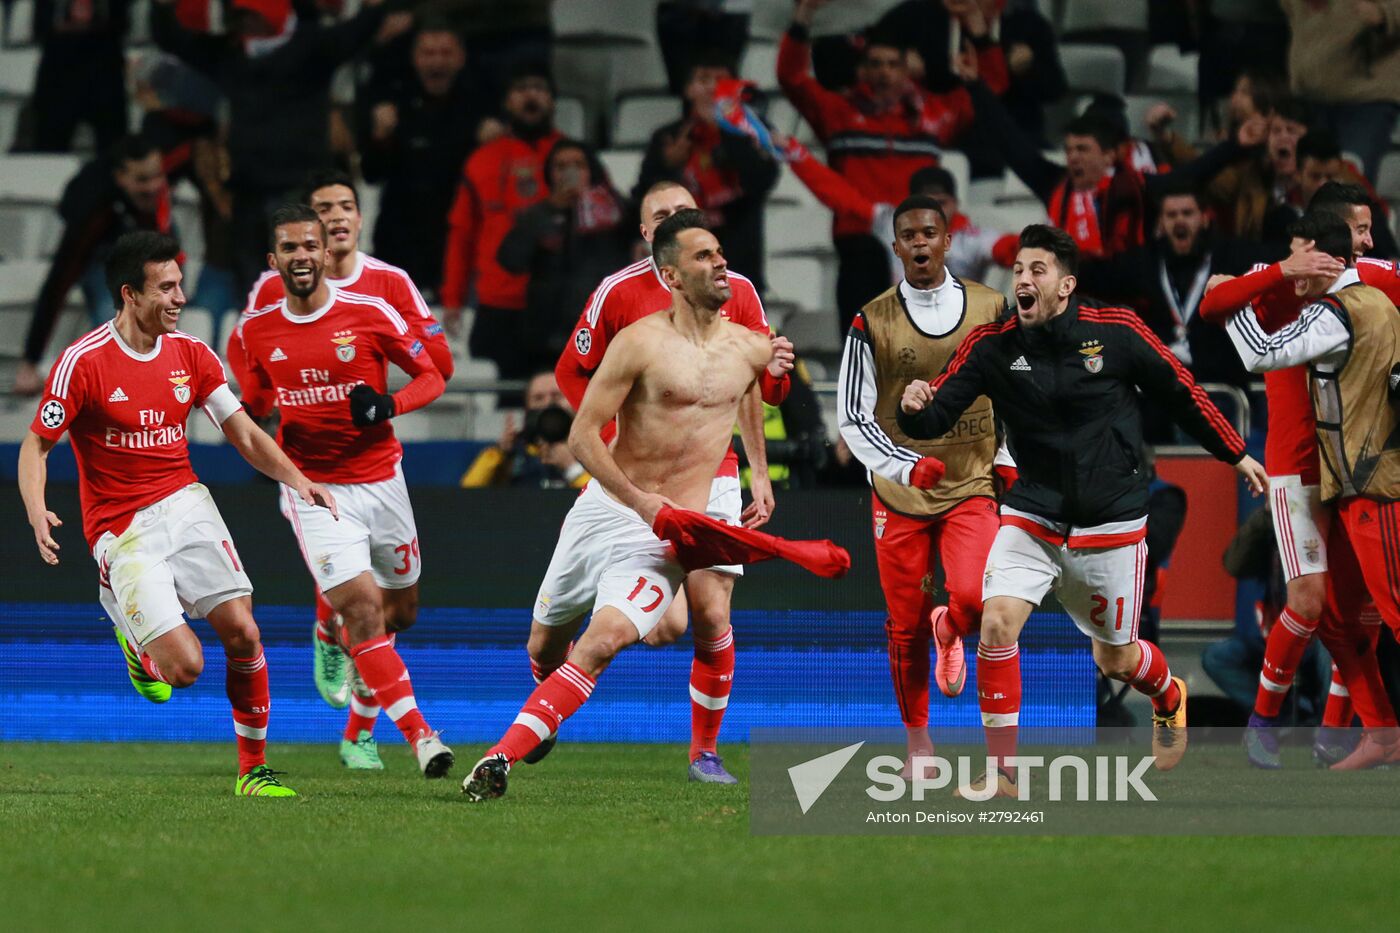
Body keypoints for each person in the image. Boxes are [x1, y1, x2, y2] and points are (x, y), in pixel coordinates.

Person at [897, 224, 1265, 796]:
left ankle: (1169, 695)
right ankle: (1002, 773)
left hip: (1112, 519)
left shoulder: (1114, 331)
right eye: (1018, 269)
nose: (1023, 279)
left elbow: (1180, 389)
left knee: (1116, 660)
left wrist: (1236, 452)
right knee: (997, 624)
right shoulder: (993, 344)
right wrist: (914, 407)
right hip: (1033, 512)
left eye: (1037, 270)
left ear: (1066, 285)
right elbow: (938, 410)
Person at [461, 212, 777, 802]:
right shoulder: (638, 342)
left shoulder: (749, 345)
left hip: (671, 528)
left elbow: (760, 389)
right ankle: (544, 703)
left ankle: (499, 757)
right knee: (542, 647)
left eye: (720, 251)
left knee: (604, 641)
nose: (720, 262)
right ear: (672, 275)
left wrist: (759, 470)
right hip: (609, 505)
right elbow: (582, 436)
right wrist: (639, 500)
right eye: (704, 256)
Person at [17, 231, 337, 796]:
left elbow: (242, 432)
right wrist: (37, 509)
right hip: (123, 531)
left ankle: (252, 771)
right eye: (165, 287)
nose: (180, 297)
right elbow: (36, 445)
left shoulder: (191, 354)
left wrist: (298, 479)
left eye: (180, 284)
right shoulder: (83, 362)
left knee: (243, 631)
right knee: (185, 671)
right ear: (129, 294)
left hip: (186, 504)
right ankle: (131, 629)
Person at [552, 193, 794, 782]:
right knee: (663, 629)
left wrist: (758, 470)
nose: (679, 223)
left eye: (689, 214)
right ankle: (550, 685)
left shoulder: (733, 289)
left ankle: (704, 752)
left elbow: (755, 386)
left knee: (711, 612)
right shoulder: (618, 293)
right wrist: (618, 440)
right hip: (633, 478)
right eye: (664, 217)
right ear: (647, 235)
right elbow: (570, 370)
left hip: (713, 475)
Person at [228, 171, 453, 767]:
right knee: (362, 609)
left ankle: (337, 639)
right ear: (271, 259)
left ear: (325, 251)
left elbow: (434, 373)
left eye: (309, 246)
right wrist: (265, 447)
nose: (301, 257)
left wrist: (388, 405)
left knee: (399, 611)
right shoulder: (256, 329)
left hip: (381, 478)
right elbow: (251, 406)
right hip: (313, 487)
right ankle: (422, 738)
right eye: (289, 249)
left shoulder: (373, 310)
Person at [1208, 211, 1400, 770]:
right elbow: (1208, 306)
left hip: (1367, 482)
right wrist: (1263, 279)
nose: (1293, 272)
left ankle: (1343, 729)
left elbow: (1260, 353)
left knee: (1378, 610)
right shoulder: (1368, 303)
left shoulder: (1340, 311)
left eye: (1368, 229)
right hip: (1328, 475)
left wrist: (1241, 301)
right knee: (1335, 611)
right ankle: (1360, 730)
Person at [836, 194, 1008, 774]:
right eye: (907, 235)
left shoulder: (991, 308)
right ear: (895, 247)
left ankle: (952, 626)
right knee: (904, 624)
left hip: (970, 482)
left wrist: (1007, 456)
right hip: (901, 492)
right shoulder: (871, 320)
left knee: (978, 601)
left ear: (947, 240)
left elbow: (1017, 390)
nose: (918, 243)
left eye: (928, 233)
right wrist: (905, 465)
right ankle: (918, 747)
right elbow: (853, 418)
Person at [149, 0, 402, 294]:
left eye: (251, 15)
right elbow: (172, 39)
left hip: (298, 190)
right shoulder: (229, 54)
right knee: (252, 292)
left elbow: (360, 30)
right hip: (247, 194)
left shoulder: (315, 47)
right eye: (239, 16)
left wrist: (375, 8)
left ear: (273, 15)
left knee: (299, 285)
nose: (245, 23)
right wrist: (162, 7)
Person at [779, 0, 982, 330]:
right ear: (863, 70)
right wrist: (802, 18)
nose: (884, 72)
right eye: (876, 63)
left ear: (907, 70)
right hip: (859, 240)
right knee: (863, 334)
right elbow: (791, 78)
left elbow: (988, 93)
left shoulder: (932, 116)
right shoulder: (838, 114)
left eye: (892, 64)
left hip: (915, 242)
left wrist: (978, 35)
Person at [14, 136, 173, 396]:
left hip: (142, 238)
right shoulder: (93, 211)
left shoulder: (155, 193)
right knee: (114, 307)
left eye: (158, 176)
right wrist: (30, 360)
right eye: (143, 180)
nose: (154, 185)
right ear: (121, 178)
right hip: (103, 254)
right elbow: (59, 280)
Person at [440, 62, 562, 382]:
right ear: (507, 102)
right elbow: (461, 235)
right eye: (521, 90)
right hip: (497, 305)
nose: (530, 97)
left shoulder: (573, 158)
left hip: (558, 306)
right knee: (498, 406)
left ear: (552, 100)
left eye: (539, 89)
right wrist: (452, 299)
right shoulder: (483, 159)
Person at [359, 21, 490, 297]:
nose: (437, 61)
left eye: (445, 53)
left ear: (460, 58)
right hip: (400, 238)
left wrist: (494, 146)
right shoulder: (392, 103)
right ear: (414, 58)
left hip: (458, 238)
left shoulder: (480, 105)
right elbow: (371, 173)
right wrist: (380, 138)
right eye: (428, 53)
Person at [636, 51, 780, 292]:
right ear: (688, 89)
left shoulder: (753, 130)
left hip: (739, 262)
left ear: (735, 89)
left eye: (721, 81)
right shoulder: (668, 137)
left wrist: (725, 129)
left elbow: (762, 180)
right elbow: (643, 195)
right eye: (704, 80)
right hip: (680, 265)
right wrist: (669, 165)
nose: (713, 87)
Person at [500, 139, 632, 372]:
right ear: (550, 174)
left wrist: (598, 201)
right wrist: (551, 210)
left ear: (592, 171)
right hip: (547, 340)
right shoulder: (537, 214)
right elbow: (510, 261)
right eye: (561, 167)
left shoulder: (614, 210)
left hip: (603, 335)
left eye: (578, 165)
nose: (570, 173)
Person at [1281, 0, 1400, 183]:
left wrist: (1385, 14)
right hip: (1308, 98)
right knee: (1295, 186)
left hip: (1366, 100)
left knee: (1348, 186)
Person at [27, 0, 129, 152]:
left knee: (113, 149)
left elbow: (122, 24)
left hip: (105, 69)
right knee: (50, 147)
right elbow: (40, 27)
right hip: (58, 71)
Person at [460, 371, 590, 489]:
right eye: (538, 398)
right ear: (527, 407)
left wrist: (571, 467)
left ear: (573, 400)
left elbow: (606, 500)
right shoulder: (512, 451)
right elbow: (467, 492)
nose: (548, 404)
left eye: (556, 396)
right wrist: (501, 453)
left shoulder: (592, 447)